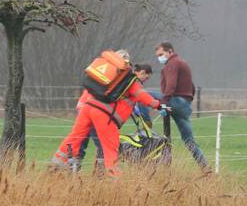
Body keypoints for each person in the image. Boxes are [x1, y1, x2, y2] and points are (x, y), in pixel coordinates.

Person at [52, 50, 165, 177]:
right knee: (111, 146)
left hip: (87, 108)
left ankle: (56, 166)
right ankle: (113, 177)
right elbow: (143, 96)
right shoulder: (130, 81)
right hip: (104, 115)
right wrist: (159, 105)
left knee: (75, 137)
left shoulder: (105, 77)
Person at [155, 42, 209, 170]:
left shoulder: (172, 64)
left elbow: (171, 85)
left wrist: (164, 104)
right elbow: (192, 87)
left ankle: (144, 123)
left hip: (174, 102)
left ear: (170, 52)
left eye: (161, 54)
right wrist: (186, 102)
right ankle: (206, 169)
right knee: (189, 141)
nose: (159, 58)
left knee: (144, 94)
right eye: (157, 55)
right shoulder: (183, 63)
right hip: (184, 106)